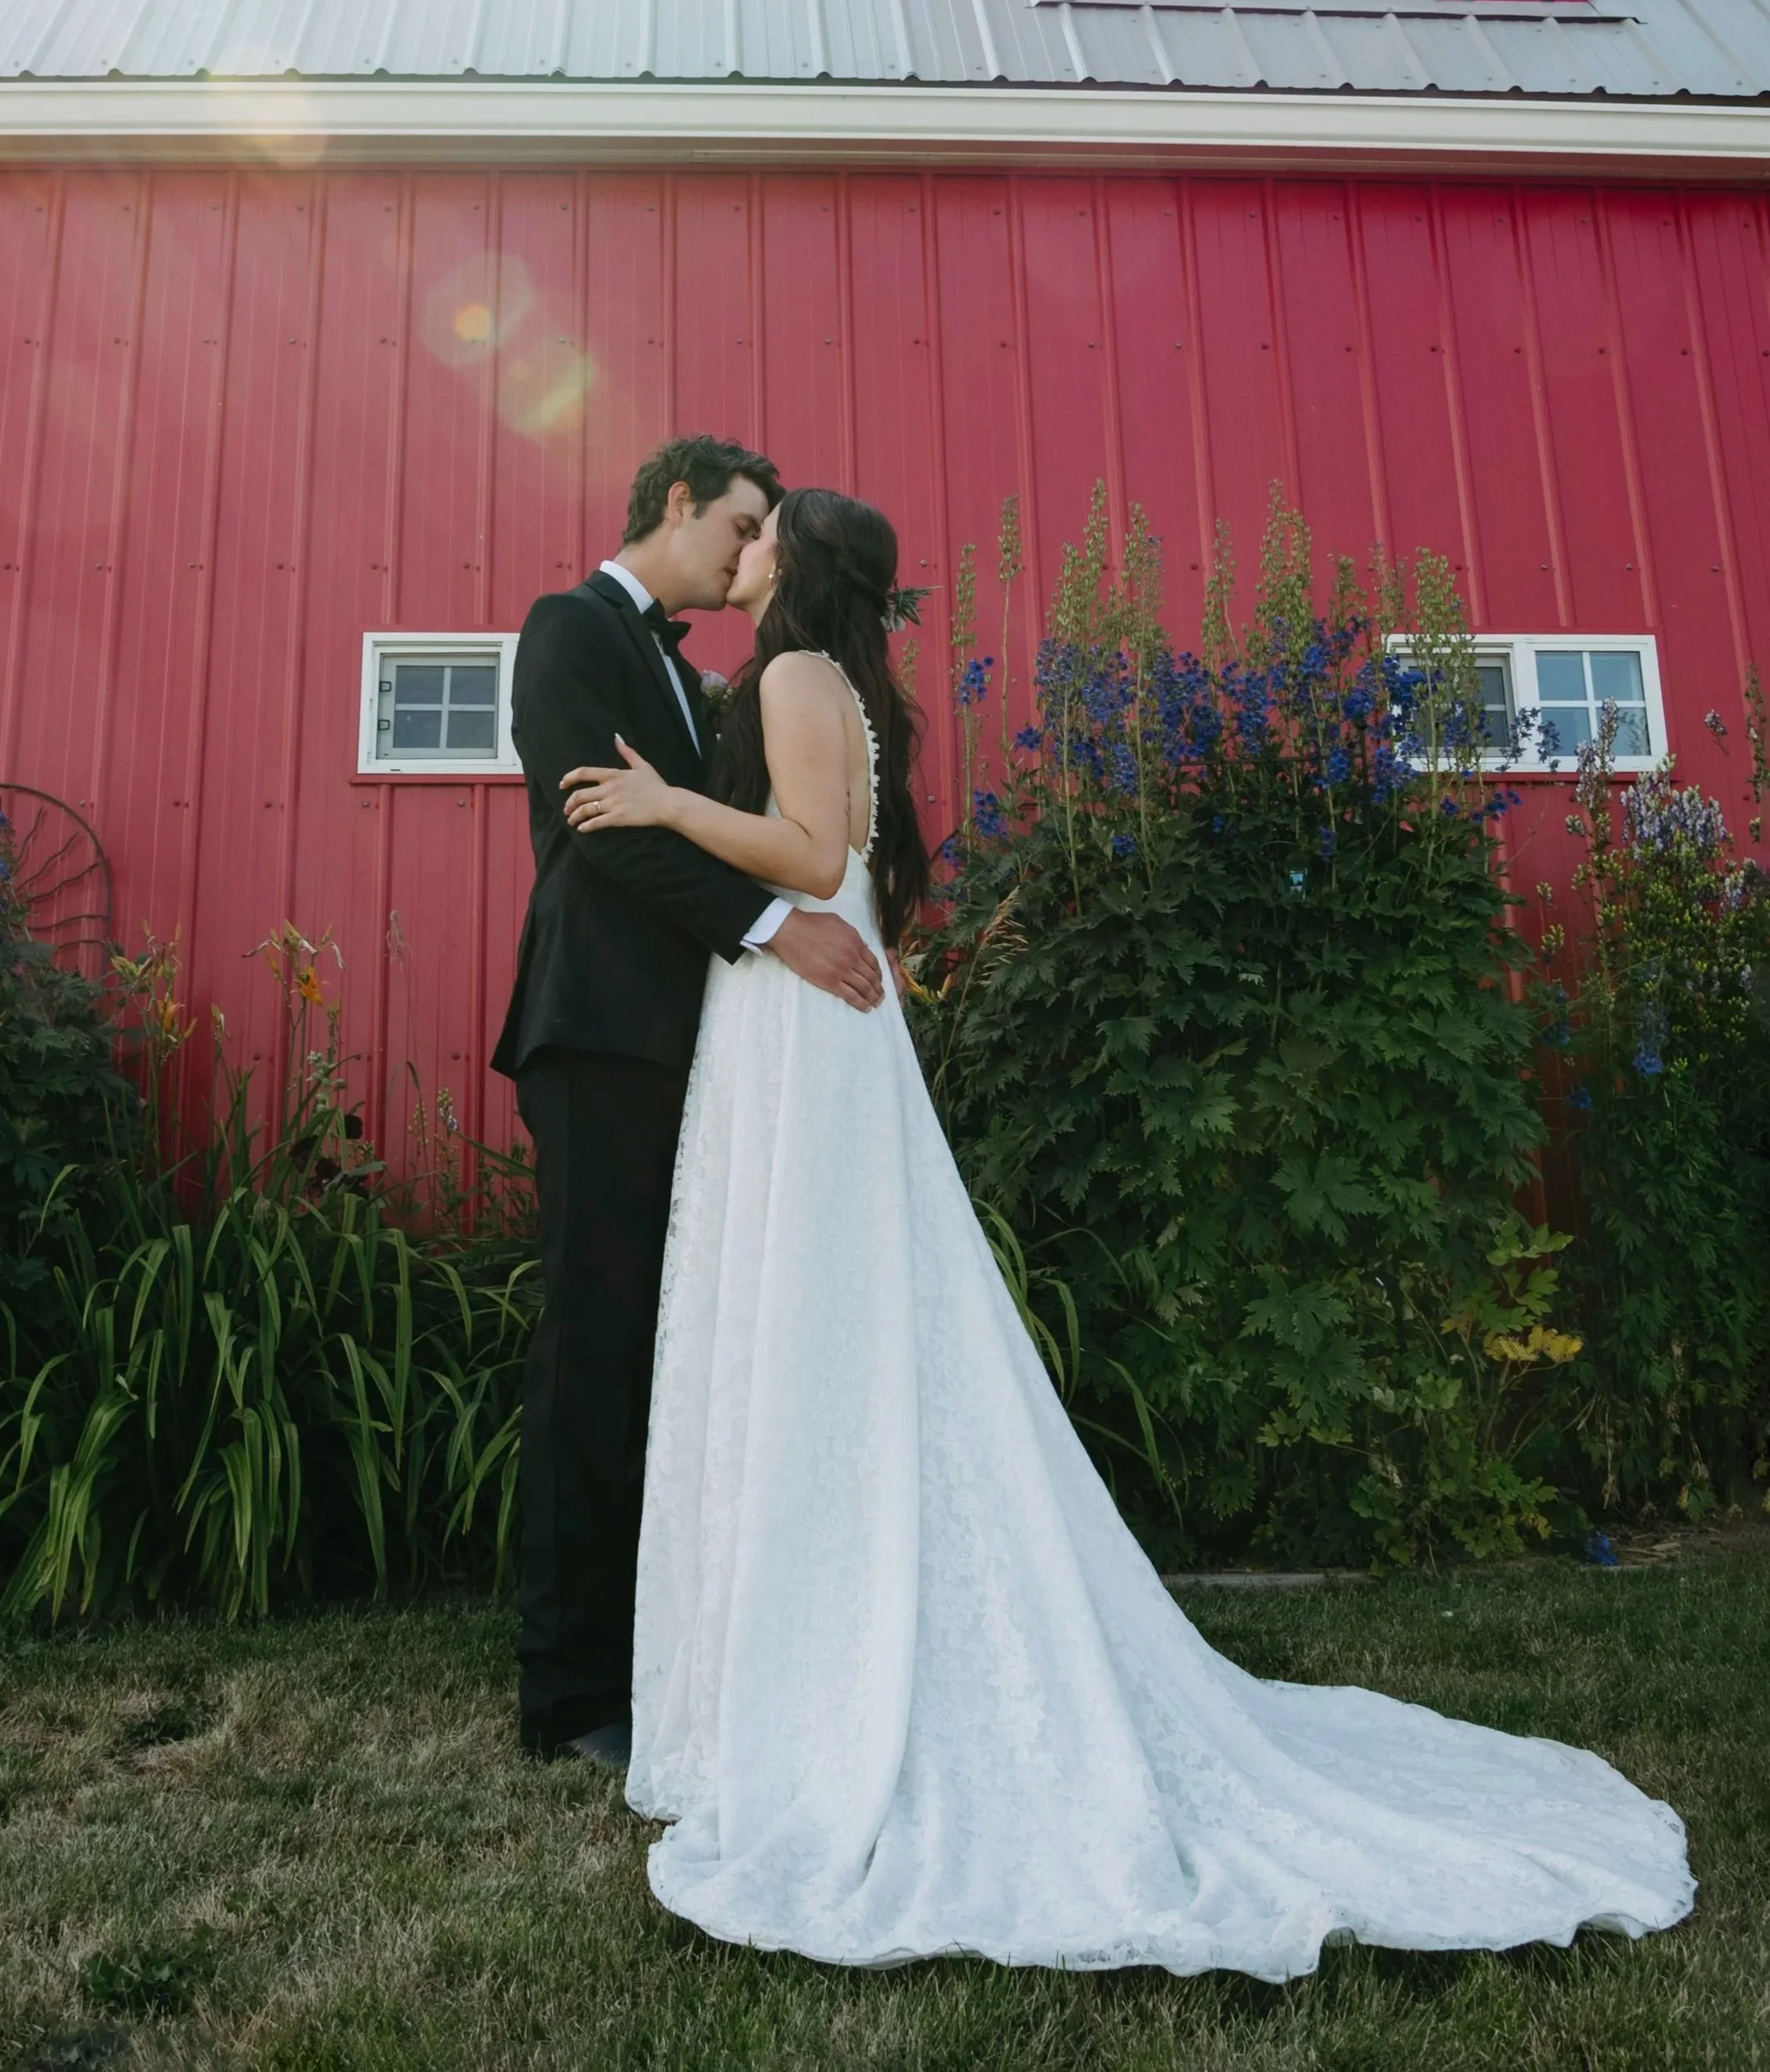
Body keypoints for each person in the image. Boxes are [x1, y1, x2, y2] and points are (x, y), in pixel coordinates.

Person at [556, 482, 1694, 1976]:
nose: (746, 543)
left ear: (799, 566)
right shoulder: (815, 677)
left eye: (767, 531)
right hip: (798, 1018)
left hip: (802, 1021)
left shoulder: (795, 675)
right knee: (823, 1309)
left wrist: (664, 806)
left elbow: (818, 858)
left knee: (817, 1307)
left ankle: (824, 1652)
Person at [491, 438, 885, 1769]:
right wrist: (773, 924)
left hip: (699, 1045)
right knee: (592, 1350)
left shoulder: (703, 670)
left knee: (682, 1347)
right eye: (740, 522)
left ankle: (674, 1650)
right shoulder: (569, 630)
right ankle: (569, 1695)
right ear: (675, 503)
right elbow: (602, 830)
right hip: (600, 1031)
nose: (751, 549)